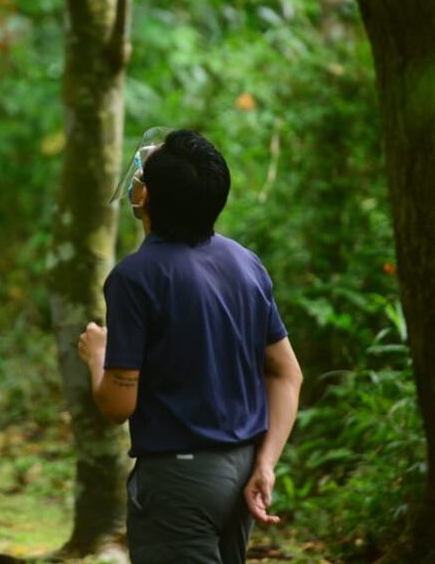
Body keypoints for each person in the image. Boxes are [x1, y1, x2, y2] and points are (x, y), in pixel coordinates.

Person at [77, 129, 302, 564]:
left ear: (146, 196)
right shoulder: (245, 264)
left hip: (179, 481)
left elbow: (118, 405)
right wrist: (265, 463)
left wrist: (97, 354)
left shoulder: (135, 278)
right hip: (242, 469)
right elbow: (287, 373)